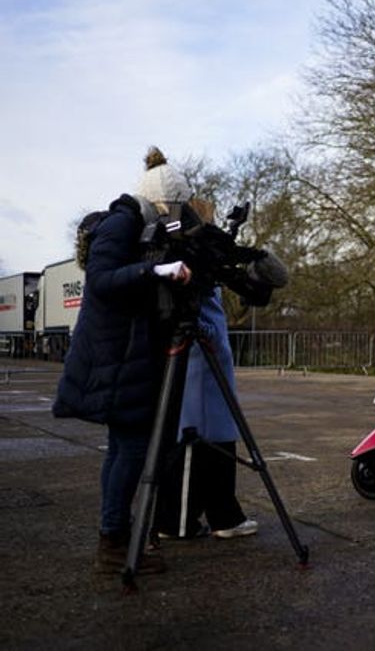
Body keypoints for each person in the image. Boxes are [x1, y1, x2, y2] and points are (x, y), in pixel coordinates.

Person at [53, 146, 193, 574]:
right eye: (172, 207)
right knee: (130, 447)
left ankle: (116, 534)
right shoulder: (121, 223)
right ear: (159, 202)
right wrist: (155, 272)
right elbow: (100, 280)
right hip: (117, 357)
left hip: (122, 355)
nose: (174, 216)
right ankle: (114, 542)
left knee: (122, 446)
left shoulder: (132, 223)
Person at [154, 199, 258, 541]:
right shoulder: (183, 263)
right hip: (198, 366)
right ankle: (177, 521)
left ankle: (224, 515)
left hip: (211, 370)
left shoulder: (203, 267)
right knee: (192, 443)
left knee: (219, 444)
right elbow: (192, 315)